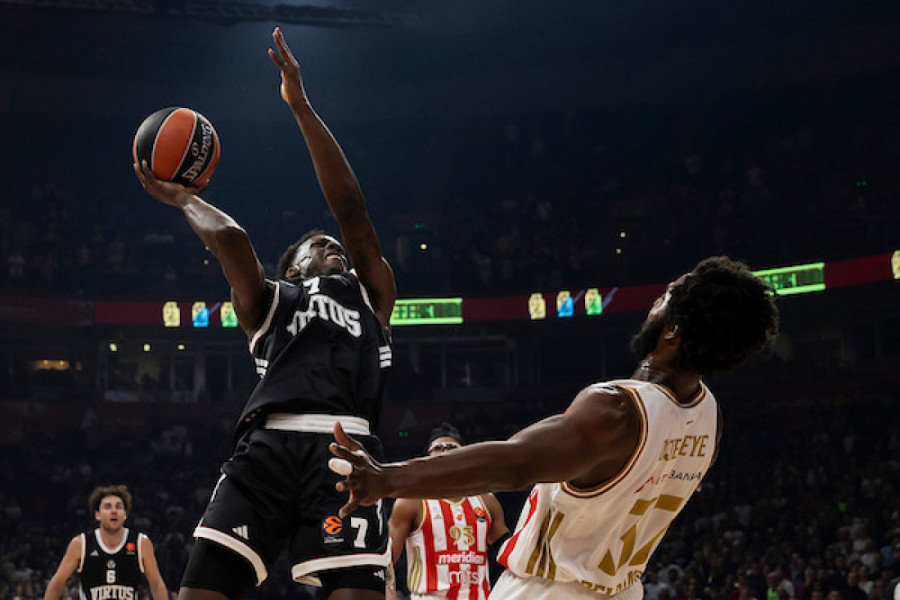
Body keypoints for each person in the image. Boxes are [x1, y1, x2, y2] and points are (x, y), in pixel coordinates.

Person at [329, 256, 780, 600]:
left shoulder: (618, 411)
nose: (653, 305)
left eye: (664, 298)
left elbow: (514, 463)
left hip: (550, 589)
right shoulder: (711, 419)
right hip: (623, 590)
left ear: (673, 331)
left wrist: (387, 478)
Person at [134, 27, 397, 600]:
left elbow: (351, 211)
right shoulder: (272, 301)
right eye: (318, 245)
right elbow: (232, 238)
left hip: (346, 451)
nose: (332, 245)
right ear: (293, 268)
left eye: (335, 244)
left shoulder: (371, 295)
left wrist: (301, 106)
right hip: (267, 450)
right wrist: (183, 197)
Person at [386, 423, 510, 600]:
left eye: (452, 447)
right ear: (427, 458)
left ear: (465, 457)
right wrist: (388, 592)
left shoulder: (486, 501)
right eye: (438, 448)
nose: (445, 452)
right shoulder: (412, 501)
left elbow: (507, 551)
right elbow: (385, 559)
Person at [43, 485, 169, 600]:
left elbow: (157, 585)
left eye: (118, 507)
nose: (114, 511)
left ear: (125, 514)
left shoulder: (141, 543)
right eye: (108, 507)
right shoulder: (81, 543)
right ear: (97, 515)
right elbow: (56, 583)